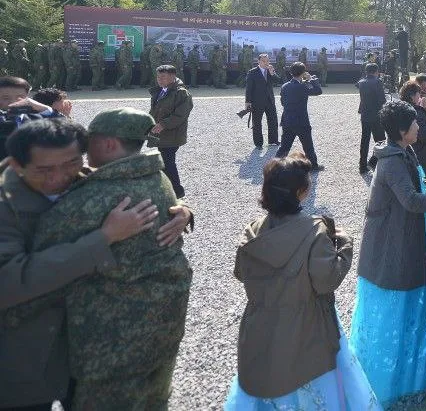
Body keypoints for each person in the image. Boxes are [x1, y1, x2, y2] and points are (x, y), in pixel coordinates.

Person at [19, 108, 193, 410]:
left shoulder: (90, 198)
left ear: (110, 144)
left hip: (108, 346)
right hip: (160, 333)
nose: (83, 150)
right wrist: (187, 212)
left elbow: (34, 268)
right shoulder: (158, 177)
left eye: (90, 141)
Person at [224, 154, 374, 410]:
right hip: (308, 328)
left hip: (261, 328)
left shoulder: (252, 232)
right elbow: (326, 281)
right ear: (301, 192)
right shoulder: (315, 232)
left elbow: (240, 272)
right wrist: (345, 244)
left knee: (268, 387)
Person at [350, 101, 426, 404]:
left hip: (405, 233)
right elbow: (410, 199)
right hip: (393, 240)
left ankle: (407, 369)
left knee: (408, 302)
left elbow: (418, 183)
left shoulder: (401, 150)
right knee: (396, 303)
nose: (419, 127)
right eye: (414, 123)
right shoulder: (392, 160)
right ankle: (389, 374)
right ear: (401, 131)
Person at [149, 64, 194, 198]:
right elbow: (155, 110)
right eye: (158, 77)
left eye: (163, 77)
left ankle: (177, 190)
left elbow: (180, 115)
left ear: (173, 77)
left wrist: (163, 124)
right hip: (160, 134)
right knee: (164, 161)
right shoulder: (162, 90)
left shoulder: (181, 93)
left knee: (168, 162)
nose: (159, 80)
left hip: (172, 135)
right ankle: (166, 188)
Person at [276, 62, 323, 171]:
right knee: (308, 146)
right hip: (301, 121)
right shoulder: (302, 87)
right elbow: (318, 91)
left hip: (287, 119)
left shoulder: (285, 86)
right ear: (302, 73)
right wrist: (312, 79)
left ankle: (276, 166)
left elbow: (283, 102)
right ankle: (313, 166)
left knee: (284, 146)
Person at [400, 80, 426, 179]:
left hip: (404, 150)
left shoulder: (400, 109)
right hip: (420, 153)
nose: (419, 97)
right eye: (418, 94)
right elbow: (424, 135)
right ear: (412, 96)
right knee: (422, 182)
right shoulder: (417, 112)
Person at [244, 53, 279, 149]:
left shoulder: (270, 71)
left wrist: (272, 73)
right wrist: (247, 102)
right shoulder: (252, 72)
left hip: (270, 100)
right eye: (263, 61)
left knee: (273, 120)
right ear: (258, 61)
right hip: (257, 101)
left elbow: (278, 81)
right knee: (257, 122)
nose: (266, 63)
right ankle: (258, 143)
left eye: (267, 61)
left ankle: (273, 140)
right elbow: (249, 88)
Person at [357, 63, 386, 174]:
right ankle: (375, 162)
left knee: (365, 140)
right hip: (376, 115)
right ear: (376, 71)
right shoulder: (377, 82)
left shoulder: (361, 82)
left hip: (365, 115)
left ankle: (362, 165)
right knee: (381, 140)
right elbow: (382, 100)